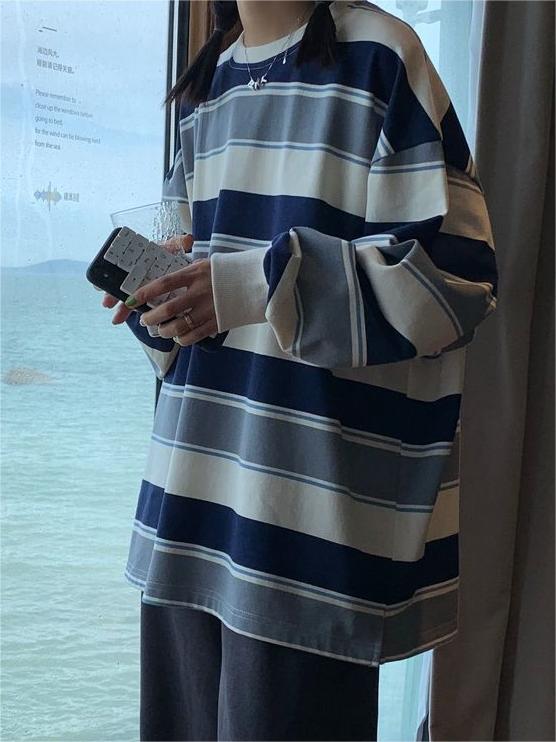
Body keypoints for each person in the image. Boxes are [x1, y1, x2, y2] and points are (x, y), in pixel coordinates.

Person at [103, 1, 499, 739]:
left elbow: (456, 280)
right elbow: (196, 326)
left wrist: (250, 286)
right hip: (189, 510)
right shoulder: (207, 87)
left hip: (308, 533)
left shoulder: (381, 57)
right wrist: (159, 301)